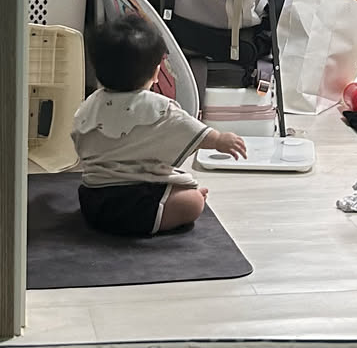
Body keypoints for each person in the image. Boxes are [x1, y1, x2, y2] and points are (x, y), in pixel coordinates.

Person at [72, 14, 247, 237]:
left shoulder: (90, 105)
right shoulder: (159, 108)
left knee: (169, 185)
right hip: (141, 205)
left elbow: (78, 137)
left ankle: (165, 206)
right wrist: (220, 140)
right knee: (193, 201)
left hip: (94, 203)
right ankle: (170, 209)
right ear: (156, 72)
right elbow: (191, 129)